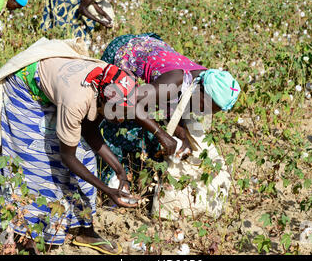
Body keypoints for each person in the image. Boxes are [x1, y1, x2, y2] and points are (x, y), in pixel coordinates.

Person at [0, 38, 176, 255]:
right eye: (117, 114)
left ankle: (85, 230)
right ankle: (22, 232)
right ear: (104, 103)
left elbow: (90, 134)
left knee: (88, 158)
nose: (120, 120)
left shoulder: (111, 84)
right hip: (25, 89)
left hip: (59, 85)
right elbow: (68, 157)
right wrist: (107, 190)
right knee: (34, 162)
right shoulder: (77, 101)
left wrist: (120, 171)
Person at [99, 33, 241, 186]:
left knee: (151, 128)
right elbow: (129, 100)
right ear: (201, 90)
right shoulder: (173, 83)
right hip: (125, 54)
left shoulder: (200, 78)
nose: (202, 112)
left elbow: (177, 105)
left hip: (151, 61)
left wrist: (182, 136)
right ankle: (111, 176)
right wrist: (161, 133)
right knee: (121, 123)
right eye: (203, 107)